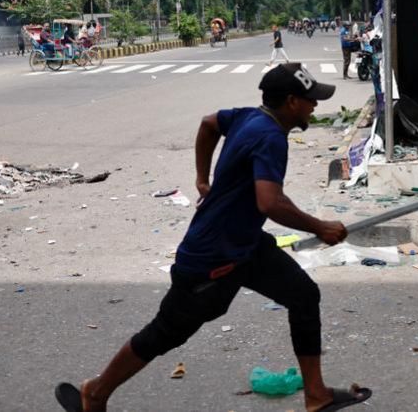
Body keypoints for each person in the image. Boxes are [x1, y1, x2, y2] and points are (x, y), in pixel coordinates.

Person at [53, 63, 371, 412]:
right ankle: (95, 392)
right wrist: (319, 226)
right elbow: (270, 201)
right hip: (212, 256)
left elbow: (208, 123)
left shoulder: (249, 117)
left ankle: (317, 394)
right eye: (310, 100)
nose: (315, 106)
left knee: (303, 295)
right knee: (167, 331)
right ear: (292, 101)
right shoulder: (270, 137)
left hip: (245, 246)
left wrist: (202, 179)